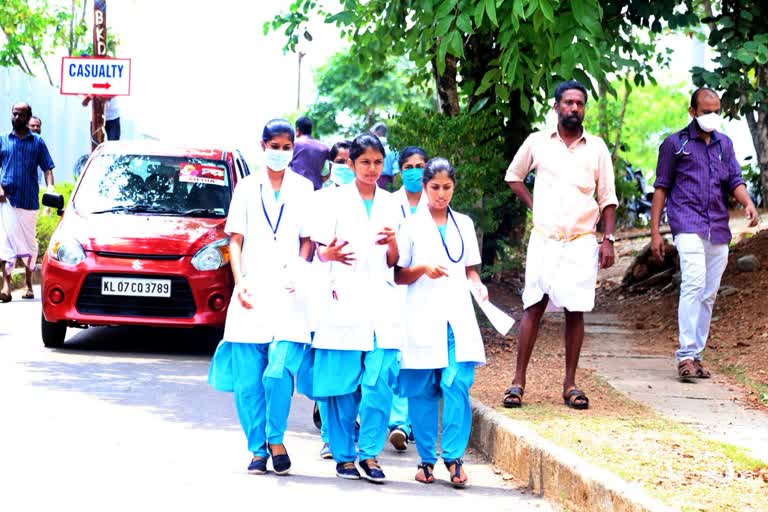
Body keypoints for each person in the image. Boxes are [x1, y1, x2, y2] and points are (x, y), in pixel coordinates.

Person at [208, 118, 315, 476]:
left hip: (288, 290)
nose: (281, 152)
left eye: (287, 147)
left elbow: (307, 240)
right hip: (251, 290)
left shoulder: (303, 188)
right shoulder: (246, 188)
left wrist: (299, 271)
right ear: (263, 145)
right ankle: (257, 448)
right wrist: (241, 283)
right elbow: (234, 240)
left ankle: (276, 436)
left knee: (278, 369)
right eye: (275, 146)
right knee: (248, 378)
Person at [503, 80, 618, 410]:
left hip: (581, 241)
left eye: (580, 104)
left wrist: (607, 240)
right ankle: (517, 382)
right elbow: (514, 176)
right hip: (545, 238)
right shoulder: (537, 142)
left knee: (575, 310)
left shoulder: (596, 148)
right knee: (533, 306)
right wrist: (533, 205)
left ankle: (570, 384)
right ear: (556, 107)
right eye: (568, 102)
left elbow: (607, 199)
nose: (574, 108)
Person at [301, 133, 402, 482]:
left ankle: (370, 454)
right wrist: (327, 254)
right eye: (364, 162)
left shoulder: (392, 203)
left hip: (381, 305)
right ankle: (344, 454)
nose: (371, 169)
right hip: (342, 301)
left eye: (377, 162)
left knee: (378, 383)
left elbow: (395, 260)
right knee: (341, 387)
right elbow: (318, 250)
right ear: (352, 163)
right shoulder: (332, 201)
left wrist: (392, 243)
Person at [650, 87, 758, 380]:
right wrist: (655, 232)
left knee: (709, 294)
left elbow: (734, 179)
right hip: (686, 222)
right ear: (692, 112)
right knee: (693, 285)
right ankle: (684, 355)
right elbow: (661, 187)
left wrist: (747, 203)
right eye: (706, 111)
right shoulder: (675, 145)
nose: (712, 116)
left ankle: (696, 354)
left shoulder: (725, 144)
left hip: (718, 227)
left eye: (716, 111)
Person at [395, 157, 487, 488]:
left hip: (457, 317)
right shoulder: (410, 225)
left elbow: (470, 269)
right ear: (424, 186)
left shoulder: (463, 223)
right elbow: (399, 274)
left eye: (447, 188)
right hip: (421, 315)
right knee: (422, 390)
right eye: (435, 187)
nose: (441, 194)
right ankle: (425, 460)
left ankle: (453, 457)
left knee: (456, 382)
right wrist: (423, 269)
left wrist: (478, 285)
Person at [387, 146, 429, 452]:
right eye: (409, 166)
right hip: (394, 285)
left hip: (427, 287)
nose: (415, 171)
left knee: (420, 354)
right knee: (396, 352)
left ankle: (410, 421)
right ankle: (399, 421)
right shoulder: (389, 204)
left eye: (420, 165)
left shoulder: (436, 204)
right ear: (400, 170)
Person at [0, 103, 55, 303]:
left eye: (20, 115)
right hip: (7, 201)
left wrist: (50, 190)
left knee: (29, 244)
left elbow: (48, 168)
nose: (16, 117)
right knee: (5, 242)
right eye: (14, 113)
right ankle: (5, 286)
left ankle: (29, 284)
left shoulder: (37, 142)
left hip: (29, 202)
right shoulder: (3, 140)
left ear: (28, 117)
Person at [290, 116, 329, 190]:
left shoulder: (292, 145)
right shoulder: (324, 147)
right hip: (316, 190)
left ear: (297, 130)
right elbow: (334, 162)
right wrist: (325, 177)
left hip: (296, 189)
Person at [370, 122, 399, 190]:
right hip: (387, 184)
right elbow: (396, 172)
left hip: (370, 183)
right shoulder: (393, 150)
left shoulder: (369, 148)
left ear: (375, 133)